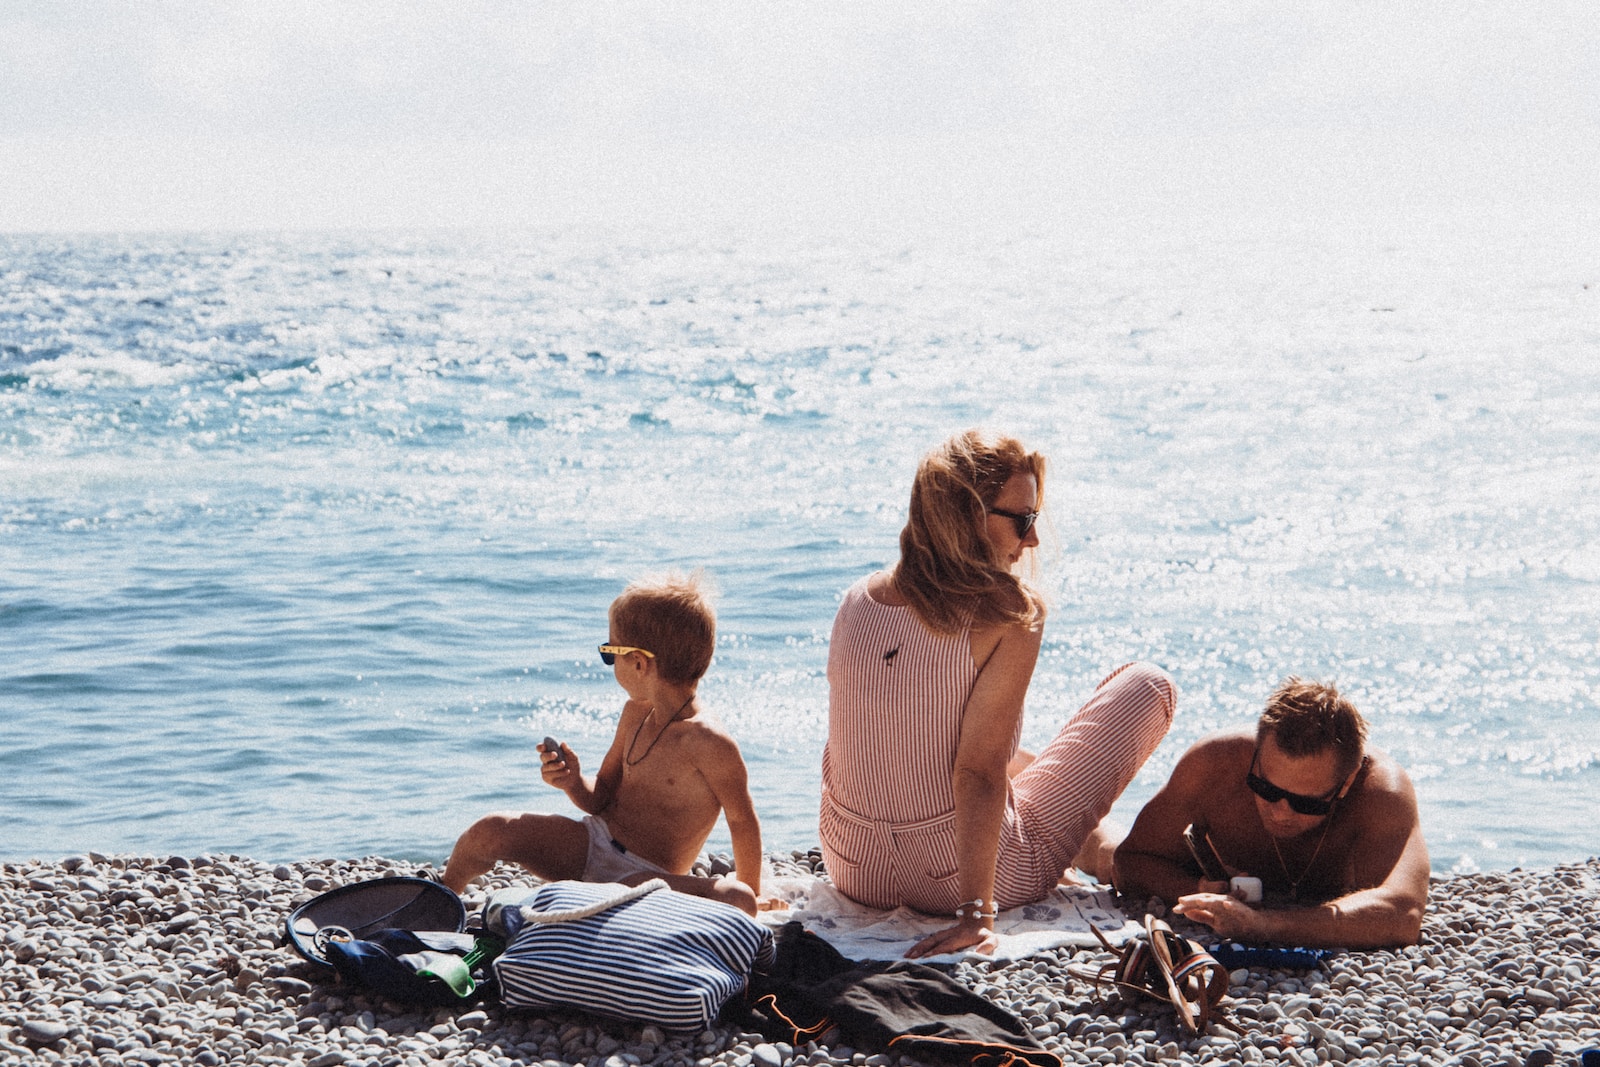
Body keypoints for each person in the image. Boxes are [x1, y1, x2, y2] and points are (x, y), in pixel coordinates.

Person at [820, 429, 1177, 958]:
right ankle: (1101, 851)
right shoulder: (1009, 612)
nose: (1031, 540)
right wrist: (976, 916)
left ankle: (1093, 845)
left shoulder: (857, 598)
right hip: (953, 876)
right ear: (966, 516)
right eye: (1023, 520)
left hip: (853, 866)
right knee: (1149, 686)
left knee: (1011, 761)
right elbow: (978, 772)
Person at [442, 573, 763, 915]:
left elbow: (742, 822)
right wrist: (573, 782)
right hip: (593, 844)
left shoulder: (709, 742)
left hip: (651, 881)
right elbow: (599, 799)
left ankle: (585, 907)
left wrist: (753, 891)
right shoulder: (634, 714)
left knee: (736, 898)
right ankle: (439, 902)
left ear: (638, 663)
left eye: (609, 654)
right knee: (492, 829)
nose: (610, 664)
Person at [1114, 677, 1429, 948]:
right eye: (1265, 789)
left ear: (1346, 784)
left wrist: (1264, 925)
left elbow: (1403, 914)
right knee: (1104, 854)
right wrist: (1198, 892)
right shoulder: (1214, 764)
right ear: (1255, 756)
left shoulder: (1382, 792)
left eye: (1307, 803)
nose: (1280, 812)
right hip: (1202, 871)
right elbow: (1130, 860)